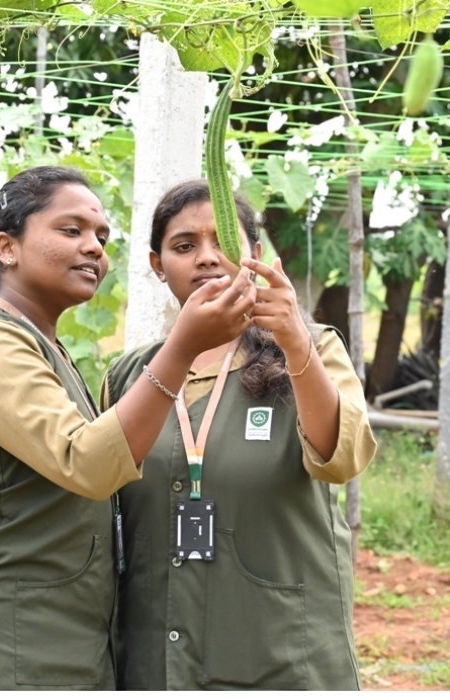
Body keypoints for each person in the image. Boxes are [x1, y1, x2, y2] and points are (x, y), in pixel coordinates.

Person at [0, 166, 253, 690]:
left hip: (48, 645)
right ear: (7, 247)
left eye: (101, 238)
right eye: (72, 230)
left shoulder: (42, 347)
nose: (93, 248)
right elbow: (87, 462)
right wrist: (183, 348)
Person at [105, 180, 377, 690]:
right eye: (184, 245)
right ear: (157, 264)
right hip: (155, 655)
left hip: (278, 652)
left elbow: (342, 457)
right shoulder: (127, 377)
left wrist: (295, 343)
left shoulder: (311, 348)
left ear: (253, 253)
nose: (206, 257)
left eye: (223, 242)